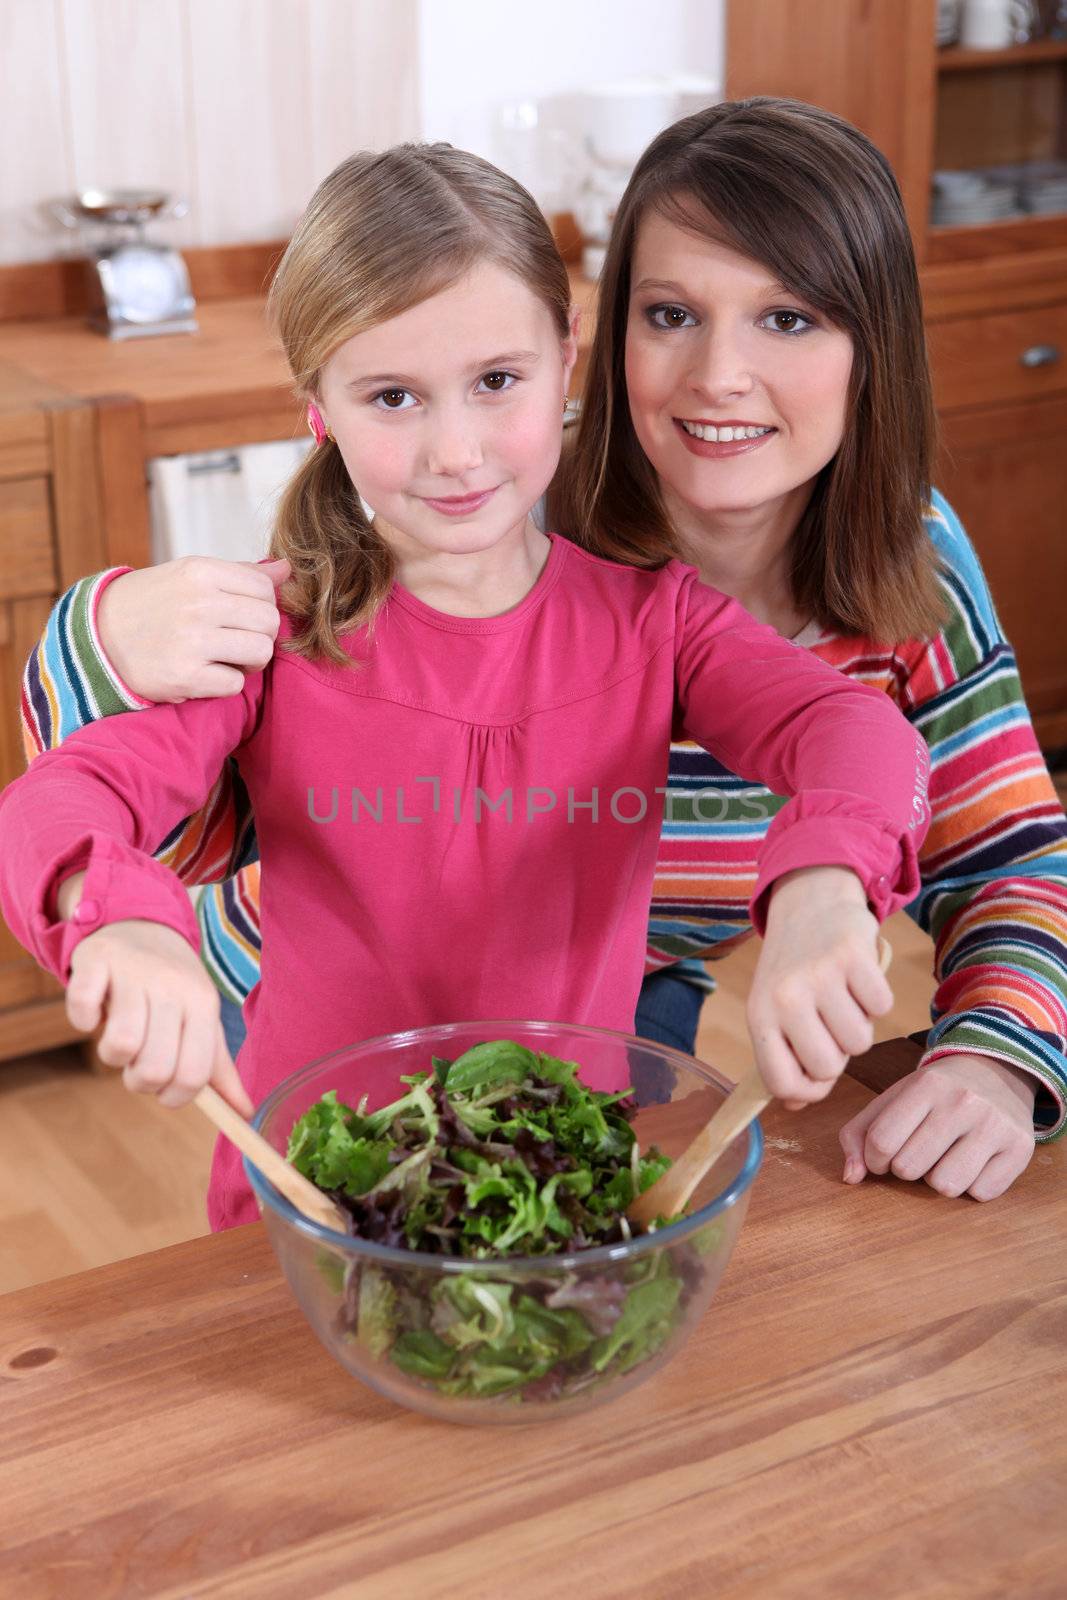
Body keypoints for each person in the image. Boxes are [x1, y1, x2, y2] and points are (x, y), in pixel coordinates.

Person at [23, 101, 1067, 1201]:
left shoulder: (676, 611)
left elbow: (914, 781)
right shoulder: (382, 570)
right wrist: (115, 887)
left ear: (555, 359)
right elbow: (79, 789)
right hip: (310, 1097)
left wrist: (839, 902)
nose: (718, 376)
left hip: (580, 1070)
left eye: (788, 319)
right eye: (671, 312)